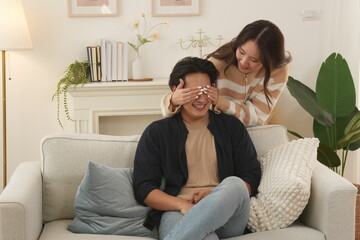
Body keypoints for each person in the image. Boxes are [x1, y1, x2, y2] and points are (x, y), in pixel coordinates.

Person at [133, 57, 261, 240]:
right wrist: (181, 204)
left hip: (227, 214)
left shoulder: (232, 128)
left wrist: (213, 196)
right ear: (176, 91)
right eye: (193, 91)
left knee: (235, 184)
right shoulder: (157, 132)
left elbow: (251, 176)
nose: (201, 99)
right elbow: (143, 188)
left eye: (206, 90)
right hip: (178, 212)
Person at [161, 20, 292, 126]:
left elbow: (257, 118)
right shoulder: (217, 64)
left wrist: (220, 101)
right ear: (238, 43)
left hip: (251, 131)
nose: (244, 62)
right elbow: (188, 106)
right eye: (241, 52)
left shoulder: (278, 71)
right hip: (217, 129)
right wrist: (172, 100)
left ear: (269, 60)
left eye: (254, 60)